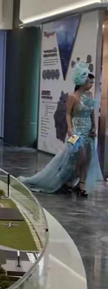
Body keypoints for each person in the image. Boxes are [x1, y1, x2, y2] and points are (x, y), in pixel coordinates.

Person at [20, 63, 102, 196]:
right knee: (78, 157)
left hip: (88, 130)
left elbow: (91, 112)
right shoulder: (72, 96)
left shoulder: (89, 96)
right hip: (77, 130)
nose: (91, 85)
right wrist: (70, 129)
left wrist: (94, 126)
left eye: (92, 82)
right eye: (89, 82)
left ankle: (81, 184)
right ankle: (68, 181)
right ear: (81, 81)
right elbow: (68, 114)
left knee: (87, 158)